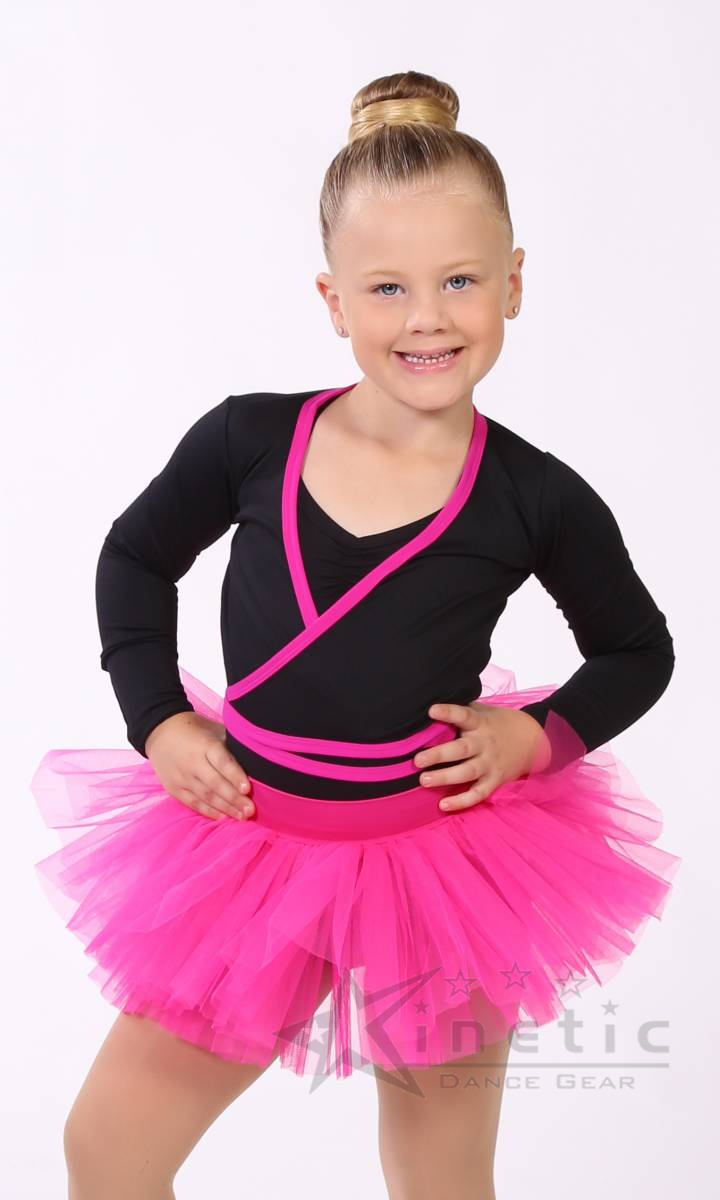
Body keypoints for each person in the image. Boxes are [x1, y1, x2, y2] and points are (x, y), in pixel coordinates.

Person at [31, 70, 682, 1200]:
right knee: (108, 1148)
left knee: (440, 1178)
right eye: (388, 288)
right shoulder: (247, 441)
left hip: (442, 869)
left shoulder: (537, 495)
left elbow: (639, 649)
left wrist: (537, 738)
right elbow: (134, 559)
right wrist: (158, 720)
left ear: (514, 284)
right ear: (334, 300)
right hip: (245, 849)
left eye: (460, 280)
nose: (426, 317)